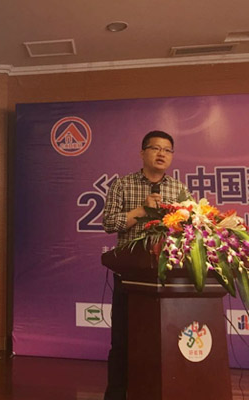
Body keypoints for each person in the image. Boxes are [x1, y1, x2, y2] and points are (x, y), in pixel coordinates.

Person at [101, 130, 191, 400]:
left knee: (163, 341)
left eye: (167, 150)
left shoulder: (179, 189)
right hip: (130, 277)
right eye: (155, 148)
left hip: (167, 278)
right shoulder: (123, 185)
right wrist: (141, 211)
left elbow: (189, 229)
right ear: (142, 153)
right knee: (123, 342)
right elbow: (109, 223)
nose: (162, 154)